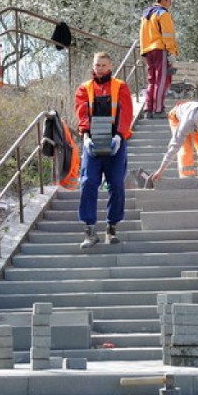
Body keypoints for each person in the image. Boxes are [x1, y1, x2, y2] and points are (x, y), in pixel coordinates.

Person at [75, 52, 133, 249]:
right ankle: (90, 231)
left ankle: (111, 227)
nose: (99, 68)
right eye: (96, 65)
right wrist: (85, 136)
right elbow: (82, 114)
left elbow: (126, 113)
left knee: (116, 183)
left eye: (103, 65)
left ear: (110, 66)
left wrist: (120, 135)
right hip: (92, 142)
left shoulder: (121, 86)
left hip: (116, 142)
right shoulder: (85, 88)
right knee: (88, 182)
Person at [140, 0, 179, 119]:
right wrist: (171, 52)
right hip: (160, 49)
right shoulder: (163, 14)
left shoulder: (146, 15)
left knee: (152, 81)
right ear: (164, 0)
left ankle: (148, 109)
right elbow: (168, 35)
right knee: (162, 80)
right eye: (170, 1)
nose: (171, 3)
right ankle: (158, 110)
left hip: (148, 50)